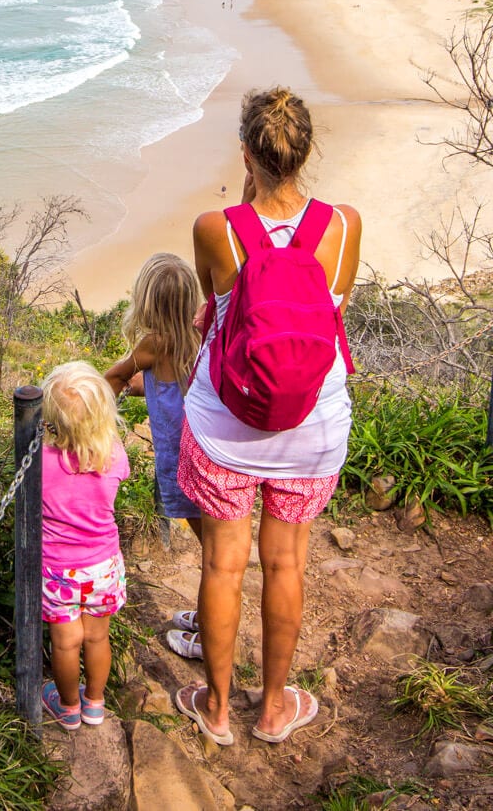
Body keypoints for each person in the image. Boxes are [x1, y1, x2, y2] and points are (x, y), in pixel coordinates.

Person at [174, 87, 361, 747]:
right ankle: (275, 704)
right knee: (286, 565)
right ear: (305, 152)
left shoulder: (214, 228)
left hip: (228, 425)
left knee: (224, 566)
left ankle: (219, 708)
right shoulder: (343, 225)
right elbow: (335, 311)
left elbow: (212, 307)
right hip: (312, 425)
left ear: (247, 153)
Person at [105, 253, 205, 657]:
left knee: (214, 553)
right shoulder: (201, 336)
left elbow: (113, 375)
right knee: (212, 545)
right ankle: (207, 613)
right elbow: (171, 387)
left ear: (147, 302)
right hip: (211, 453)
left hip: (180, 459)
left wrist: (99, 411)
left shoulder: (154, 344)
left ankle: (211, 633)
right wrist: (142, 387)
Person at [40, 361, 130, 730]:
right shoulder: (113, 455)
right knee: (97, 637)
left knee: (66, 643)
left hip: (59, 569)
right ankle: (95, 703)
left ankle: (67, 707)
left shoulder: (40, 463)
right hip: (104, 566)